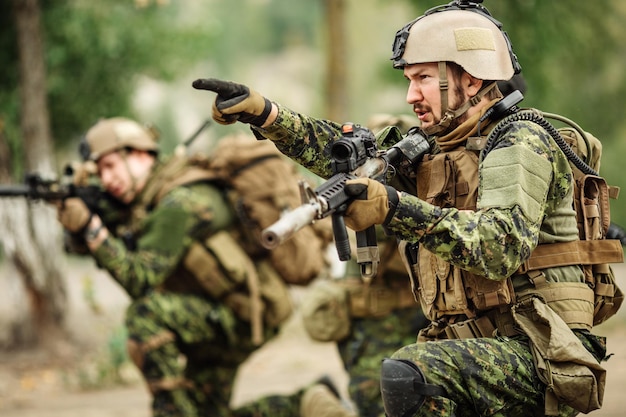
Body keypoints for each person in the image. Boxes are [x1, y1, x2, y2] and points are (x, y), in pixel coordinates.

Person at [192, 1, 622, 416]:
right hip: (477, 345)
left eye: (421, 79)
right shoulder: (441, 150)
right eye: (408, 80)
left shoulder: (519, 141)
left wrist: (392, 207)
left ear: (470, 80)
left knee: (409, 375)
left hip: (539, 354)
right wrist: (265, 115)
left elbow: (498, 247)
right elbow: (349, 157)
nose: (411, 95)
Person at [55, 117, 333, 417]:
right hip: (231, 310)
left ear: (138, 153)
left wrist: (92, 229)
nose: (107, 179)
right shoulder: (155, 196)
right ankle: (307, 405)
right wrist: (83, 228)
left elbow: (140, 279)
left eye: (110, 166)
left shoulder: (179, 203)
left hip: (239, 314)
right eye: (100, 172)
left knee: (144, 316)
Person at [299, 114, 428, 417]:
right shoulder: (352, 180)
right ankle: (321, 402)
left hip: (418, 318)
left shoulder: (423, 182)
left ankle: (323, 403)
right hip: (371, 322)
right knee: (378, 400)